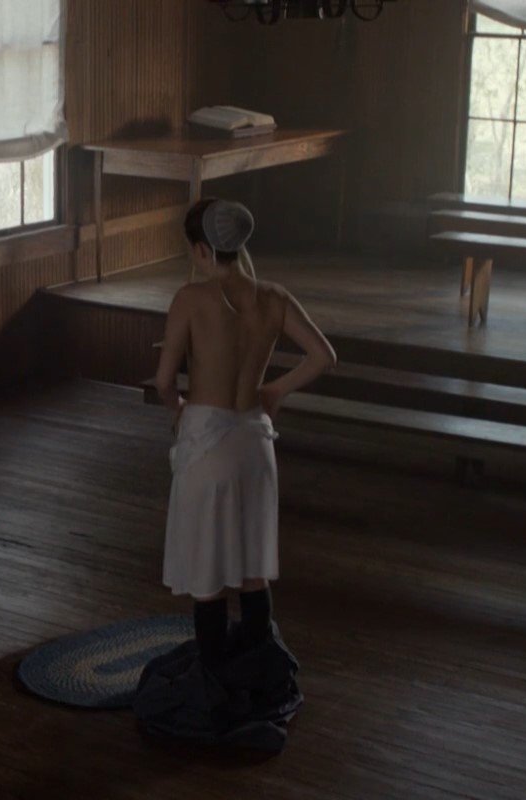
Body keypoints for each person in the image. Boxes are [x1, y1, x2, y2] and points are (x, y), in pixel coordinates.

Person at [152, 198, 336, 671]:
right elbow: (323, 356)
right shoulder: (274, 298)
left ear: (201, 250)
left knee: (209, 575)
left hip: (207, 441)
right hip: (255, 442)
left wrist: (177, 411)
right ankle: (257, 674)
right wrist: (274, 390)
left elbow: (164, 381)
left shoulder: (190, 299)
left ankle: (214, 683)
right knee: (254, 570)